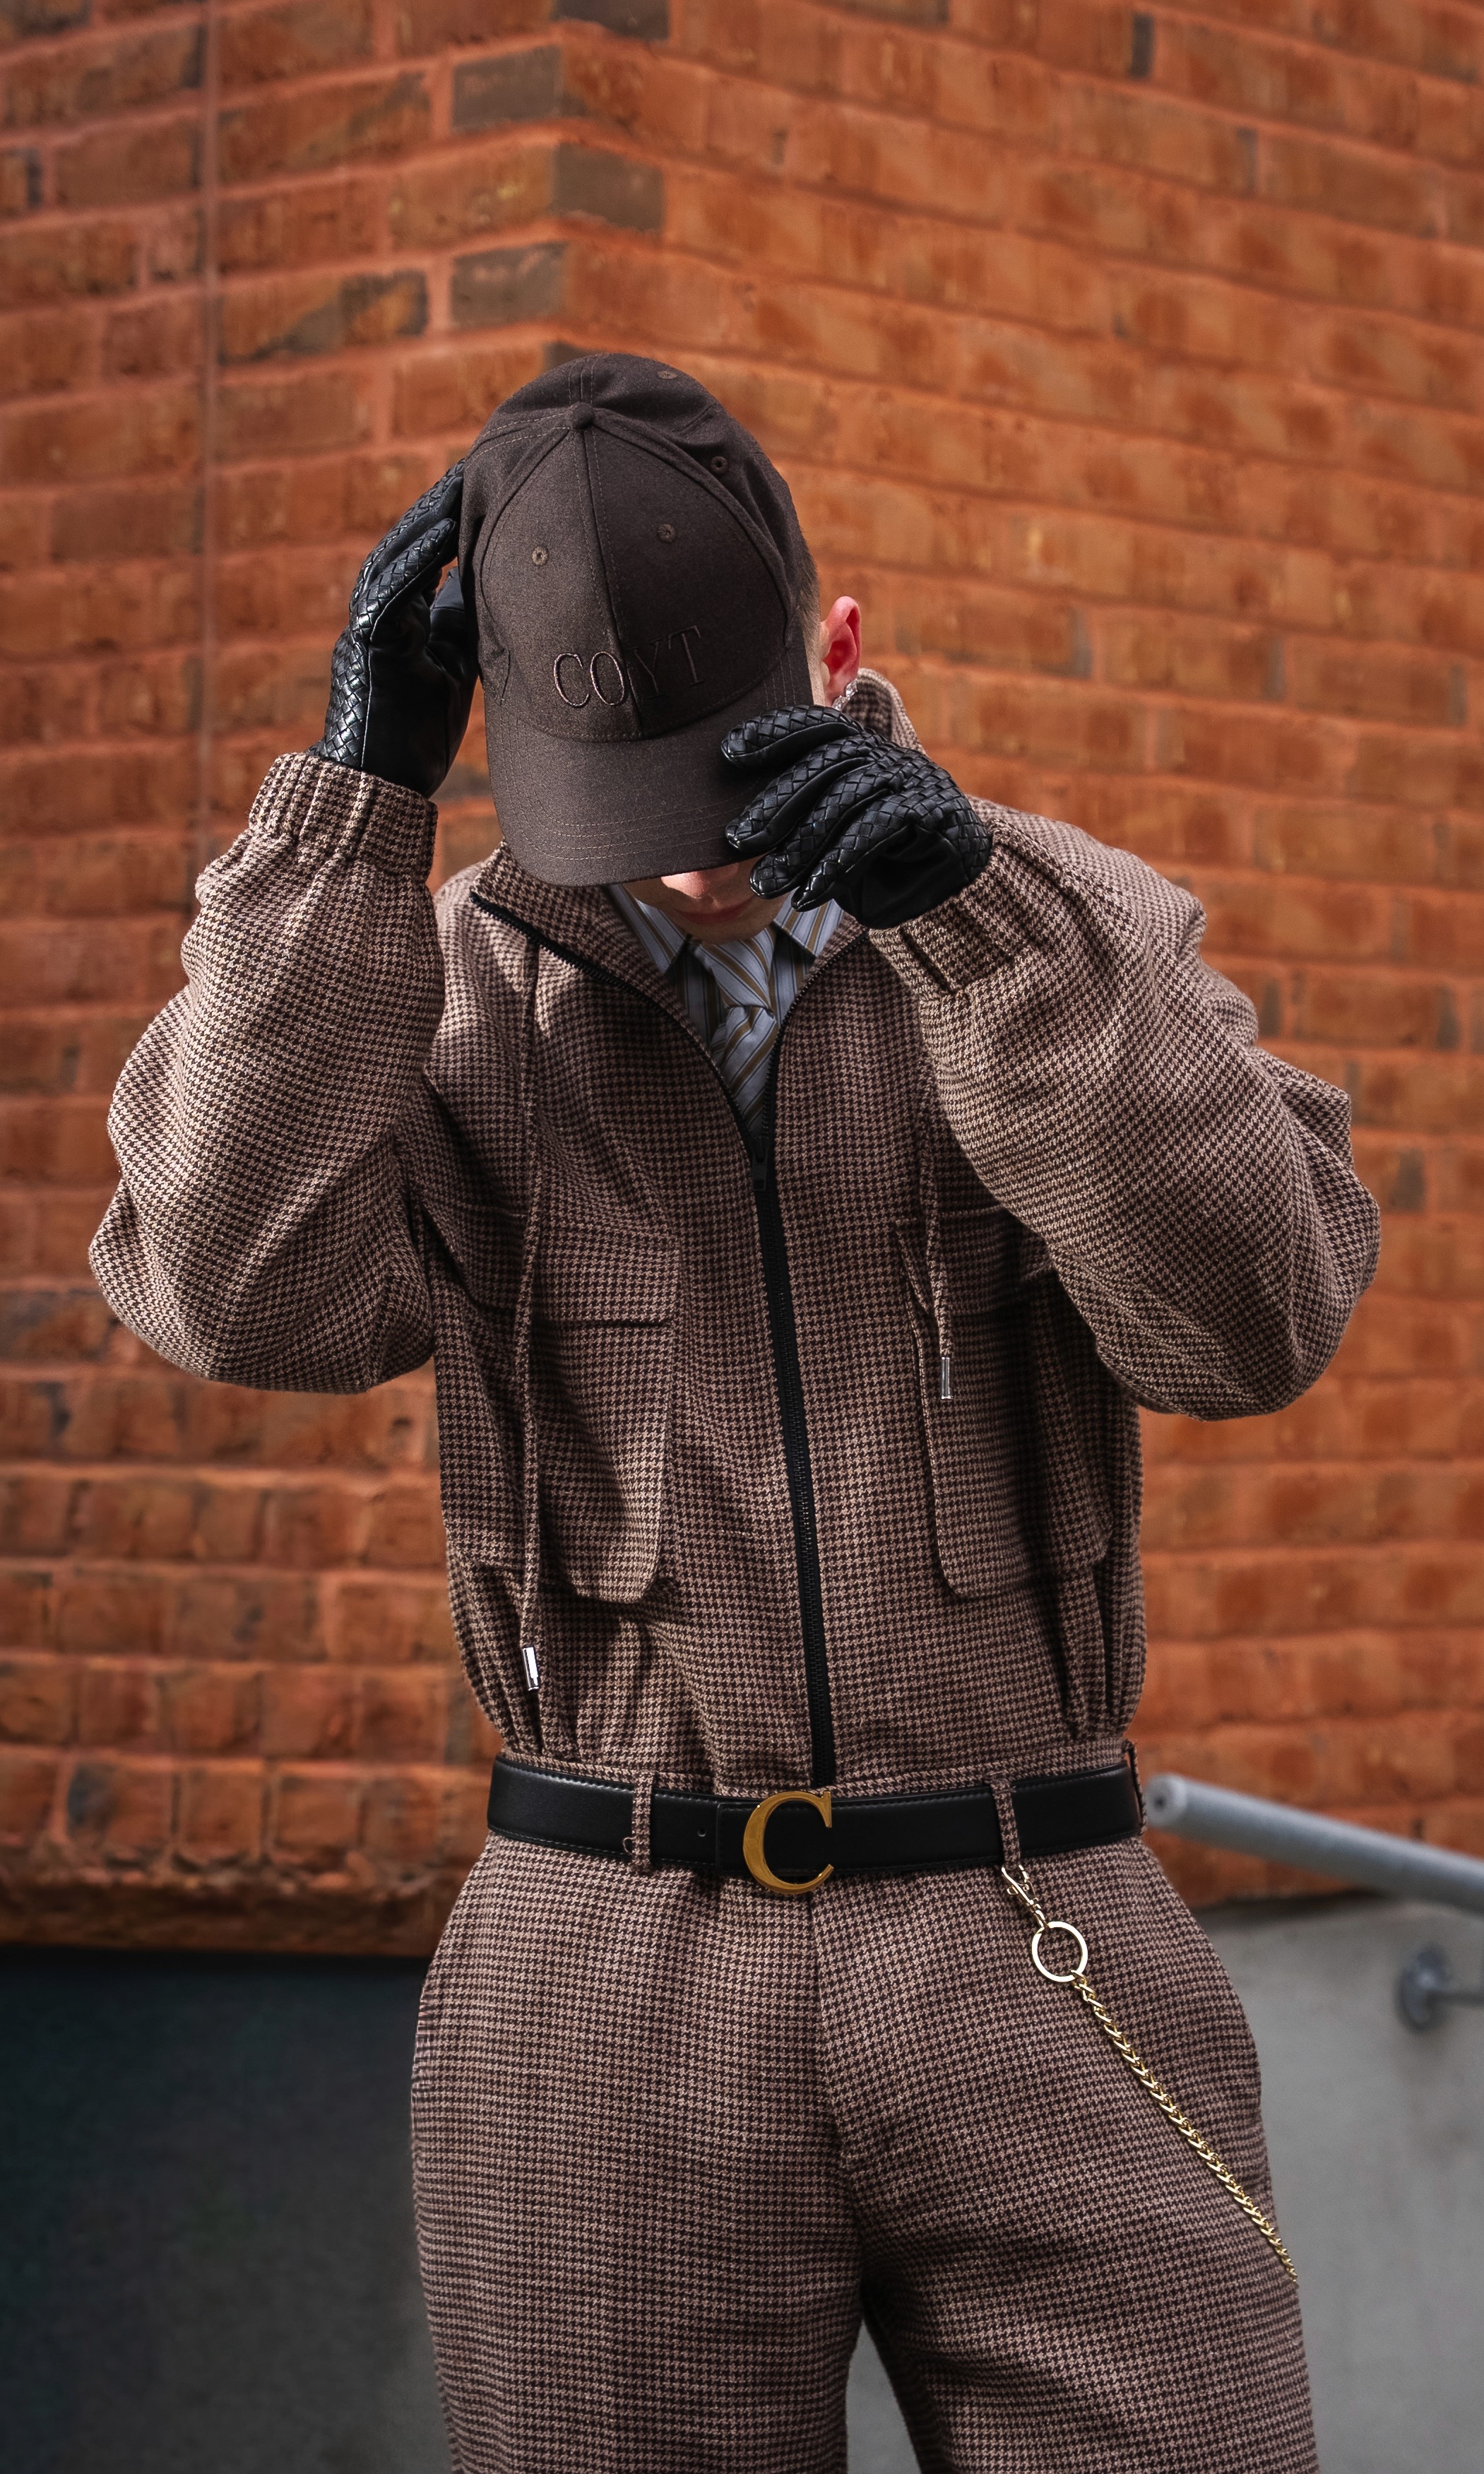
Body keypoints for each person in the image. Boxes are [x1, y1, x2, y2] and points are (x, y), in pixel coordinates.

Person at [93, 353, 1379, 2473]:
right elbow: (226, 1292)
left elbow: (1256, 1321)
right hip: (603, 1968)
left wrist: (990, 940)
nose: (685, 860)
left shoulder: (1074, 928)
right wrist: (348, 816)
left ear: (841, 645)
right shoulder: (423, 1003)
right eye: (621, 802)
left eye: (715, 778)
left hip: (1034, 1929)